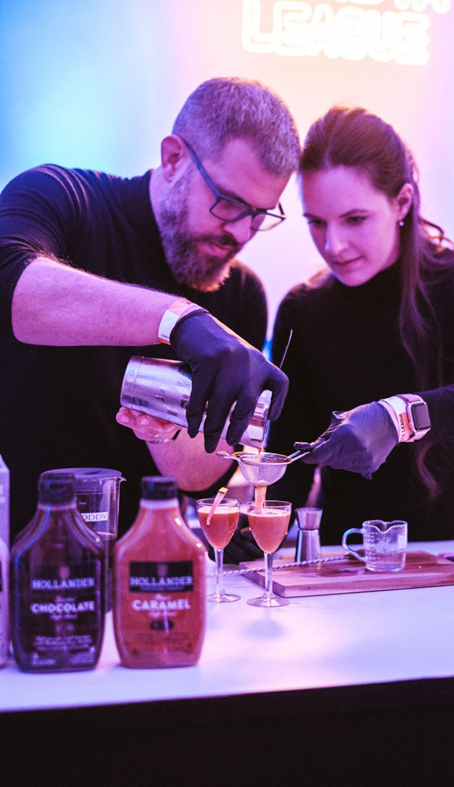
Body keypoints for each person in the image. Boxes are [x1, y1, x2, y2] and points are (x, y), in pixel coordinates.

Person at [0, 77, 301, 543]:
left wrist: (162, 426)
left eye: (260, 215)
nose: (242, 234)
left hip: (144, 572)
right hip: (15, 558)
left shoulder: (240, 293)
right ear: (174, 158)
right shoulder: (62, 198)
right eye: (228, 204)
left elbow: (198, 477)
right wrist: (178, 320)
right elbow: (7, 280)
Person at [266, 107, 454, 546]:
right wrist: (249, 539)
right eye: (316, 223)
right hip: (347, 559)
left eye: (354, 219)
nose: (334, 245)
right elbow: (290, 454)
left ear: (402, 202)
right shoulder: (302, 308)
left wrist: (396, 416)